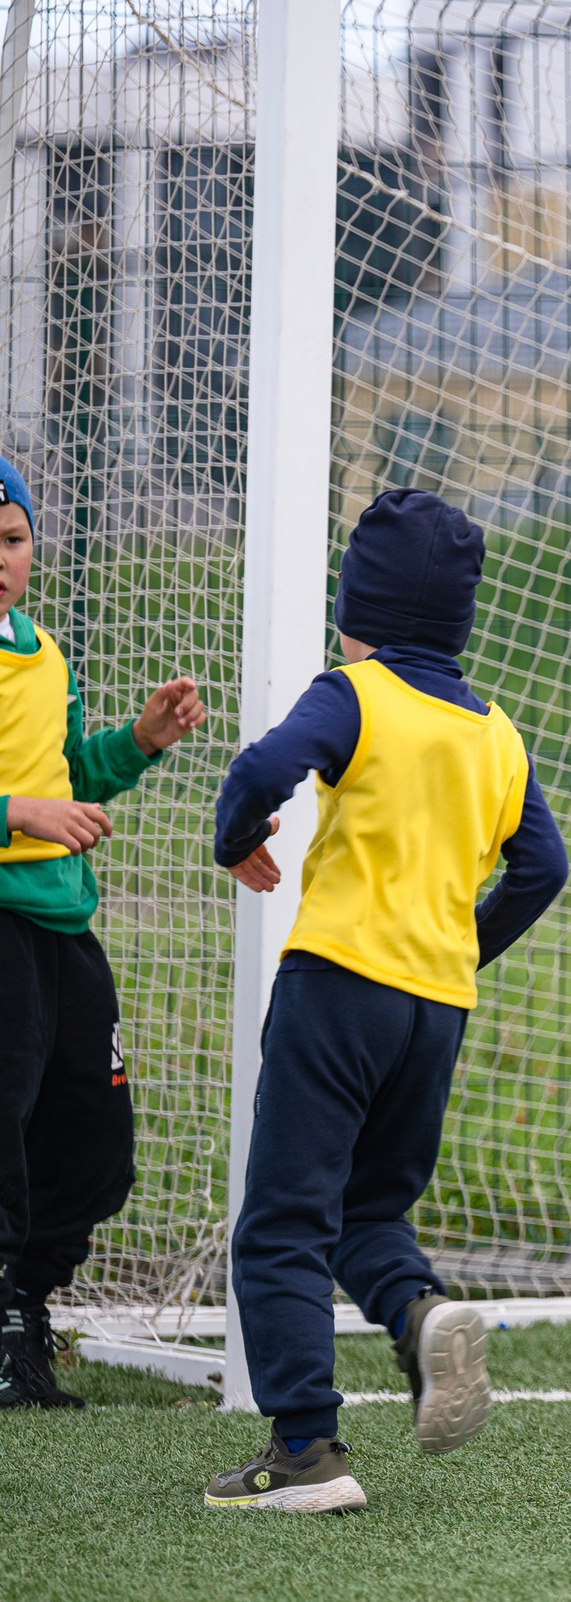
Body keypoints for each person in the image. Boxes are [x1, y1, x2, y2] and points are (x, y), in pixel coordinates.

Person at [203, 488, 567, 1511]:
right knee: (370, 1207)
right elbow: (544, 868)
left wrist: (237, 839)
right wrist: (458, 950)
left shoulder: (354, 692)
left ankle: (306, 1452)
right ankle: (414, 1315)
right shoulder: (495, 730)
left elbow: (266, 765)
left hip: (338, 986)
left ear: (353, 609)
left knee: (284, 1220)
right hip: (436, 1007)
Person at [0, 453, 206, 1411]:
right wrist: (20, 814)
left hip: (64, 931)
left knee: (95, 1138)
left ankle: (29, 1305)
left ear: (34, 545)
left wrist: (141, 741)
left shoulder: (47, 654)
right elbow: (37, 801)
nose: (0, 558)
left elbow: (73, 774)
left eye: (11, 539)